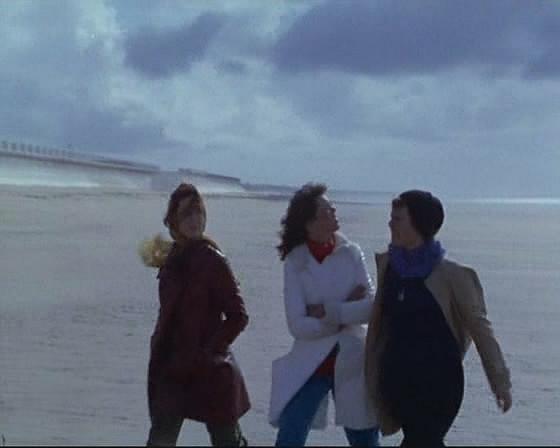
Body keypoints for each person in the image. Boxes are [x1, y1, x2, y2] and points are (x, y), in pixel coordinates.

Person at [364, 190, 512, 447]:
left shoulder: (451, 275)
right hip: (398, 380)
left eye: (397, 219)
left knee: (423, 439)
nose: (390, 224)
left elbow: (480, 329)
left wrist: (500, 381)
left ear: (418, 224)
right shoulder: (389, 267)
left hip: (439, 383)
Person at [269, 182, 379, 447]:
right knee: (290, 437)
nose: (334, 213)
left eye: (332, 208)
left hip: (353, 361)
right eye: (327, 211)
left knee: (364, 439)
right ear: (309, 223)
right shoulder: (296, 262)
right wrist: (345, 311)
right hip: (311, 365)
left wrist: (328, 311)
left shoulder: (351, 253)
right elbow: (297, 325)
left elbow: (371, 308)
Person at [140, 183, 250, 446]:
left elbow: (238, 316)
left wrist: (209, 351)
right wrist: (160, 348)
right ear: (174, 221)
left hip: (209, 369)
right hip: (173, 367)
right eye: (186, 214)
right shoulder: (172, 260)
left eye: (198, 212)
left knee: (227, 440)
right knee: (161, 439)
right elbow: (168, 313)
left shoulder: (213, 260)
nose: (194, 220)